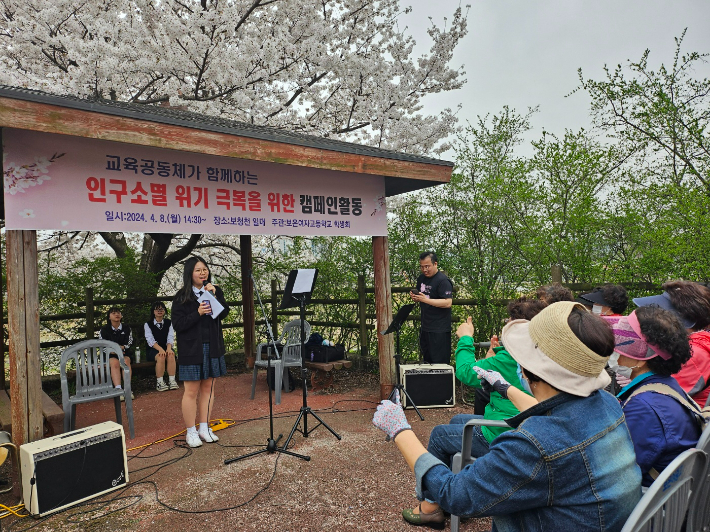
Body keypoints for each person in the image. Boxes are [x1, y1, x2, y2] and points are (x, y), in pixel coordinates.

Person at [373, 301, 641, 530]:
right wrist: (505, 387)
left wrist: (400, 429)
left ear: (530, 369)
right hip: (592, 520)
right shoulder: (607, 403)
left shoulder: (534, 445)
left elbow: (455, 494)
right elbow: (552, 414)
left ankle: (430, 507)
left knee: (446, 441)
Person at [609, 306, 701, 486]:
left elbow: (619, 474)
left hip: (650, 507)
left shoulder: (643, 406)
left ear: (641, 358)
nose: (615, 353)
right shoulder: (667, 386)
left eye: (621, 347)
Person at [172, 256, 230, 448]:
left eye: (205, 269)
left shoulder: (214, 290)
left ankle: (204, 428)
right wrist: (197, 313)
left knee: (209, 388)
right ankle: (191, 431)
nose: (203, 273)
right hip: (191, 348)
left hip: (212, 345)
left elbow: (224, 314)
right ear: (190, 273)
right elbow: (178, 325)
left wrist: (214, 296)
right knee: (191, 391)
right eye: (198, 270)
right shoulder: (182, 297)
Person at [634, 280, 710, 407]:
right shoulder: (686, 343)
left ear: (685, 320)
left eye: (662, 314)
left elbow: (658, 400)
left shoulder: (695, 353)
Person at [410, 252, 453, 364]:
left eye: (427, 266)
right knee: (427, 362)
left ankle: (442, 382)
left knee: (440, 364)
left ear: (435, 264)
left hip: (440, 330)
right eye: (422, 266)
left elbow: (447, 302)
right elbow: (422, 296)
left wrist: (425, 300)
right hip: (425, 327)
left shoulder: (443, 281)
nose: (424, 270)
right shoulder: (421, 279)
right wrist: (416, 298)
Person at [98, 307, 134, 400]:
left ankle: (127, 389)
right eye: (113, 313)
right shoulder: (104, 330)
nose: (117, 315)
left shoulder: (127, 328)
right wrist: (113, 350)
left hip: (124, 352)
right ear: (109, 317)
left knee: (126, 361)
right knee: (115, 363)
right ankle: (118, 389)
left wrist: (121, 348)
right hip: (110, 354)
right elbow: (102, 346)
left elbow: (129, 343)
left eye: (118, 313)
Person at [144, 301, 178, 392]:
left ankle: (172, 381)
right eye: (157, 309)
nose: (160, 311)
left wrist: (168, 349)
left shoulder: (169, 323)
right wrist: (160, 350)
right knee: (161, 356)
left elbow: (170, 337)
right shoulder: (148, 324)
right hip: (153, 349)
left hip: (166, 347)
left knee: (171, 355)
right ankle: (160, 382)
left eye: (162, 309)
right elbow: (150, 340)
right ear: (153, 312)